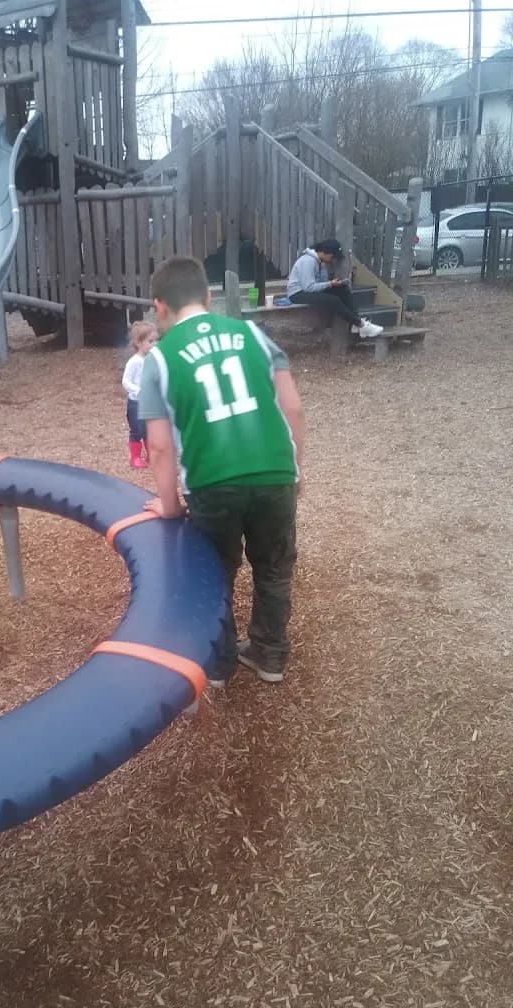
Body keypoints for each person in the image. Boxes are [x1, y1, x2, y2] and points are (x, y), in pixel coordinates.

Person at [138, 255, 304, 687]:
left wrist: (170, 506)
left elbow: (158, 446)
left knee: (215, 573)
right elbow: (293, 408)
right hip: (275, 475)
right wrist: (295, 473)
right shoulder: (252, 333)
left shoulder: (158, 359)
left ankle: (219, 661)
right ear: (209, 296)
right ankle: (270, 656)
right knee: (273, 567)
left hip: (212, 484)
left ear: (159, 306)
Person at [287, 238, 383, 339]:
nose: (333, 260)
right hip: (297, 293)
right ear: (325, 253)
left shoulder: (320, 262)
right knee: (333, 300)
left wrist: (334, 284)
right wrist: (330, 284)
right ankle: (361, 324)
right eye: (332, 257)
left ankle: (356, 322)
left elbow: (320, 283)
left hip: (308, 290)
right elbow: (309, 287)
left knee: (343, 289)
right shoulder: (308, 261)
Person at [122, 321, 158, 469]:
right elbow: (125, 381)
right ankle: (135, 457)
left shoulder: (152, 359)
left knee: (149, 429)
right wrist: (138, 391)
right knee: (137, 430)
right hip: (136, 403)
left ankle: (151, 455)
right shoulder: (134, 362)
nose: (154, 344)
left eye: (156, 340)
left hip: (150, 402)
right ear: (138, 342)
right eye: (150, 341)